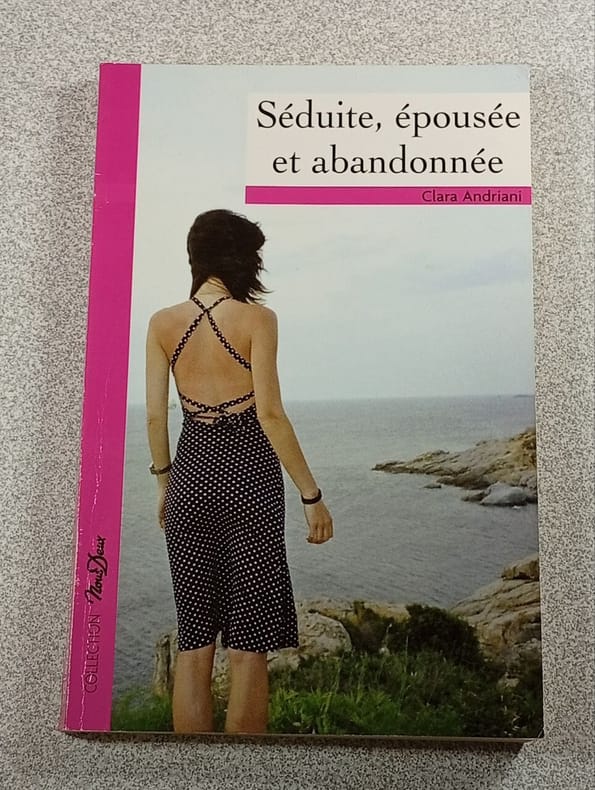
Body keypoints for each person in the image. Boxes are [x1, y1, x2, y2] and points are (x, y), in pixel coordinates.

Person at [145, 208, 333, 735]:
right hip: (250, 479)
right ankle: (243, 770)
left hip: (189, 478)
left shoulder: (162, 323)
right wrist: (311, 496)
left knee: (194, 640)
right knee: (250, 644)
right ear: (241, 258)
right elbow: (270, 414)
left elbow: (156, 416)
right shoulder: (257, 320)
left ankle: (192, 770)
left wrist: (164, 485)